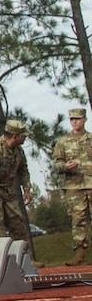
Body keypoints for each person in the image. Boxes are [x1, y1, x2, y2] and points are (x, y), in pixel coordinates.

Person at [51, 107, 92, 266]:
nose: (75, 122)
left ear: (85, 120)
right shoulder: (63, 141)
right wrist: (65, 166)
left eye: (78, 118)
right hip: (74, 186)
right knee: (78, 219)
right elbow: (57, 163)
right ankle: (80, 253)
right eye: (72, 119)